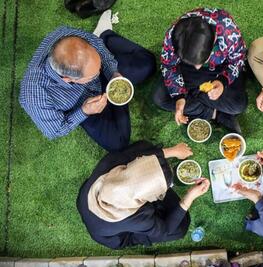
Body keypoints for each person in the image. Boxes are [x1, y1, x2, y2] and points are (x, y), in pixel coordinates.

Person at [19, 10, 156, 151]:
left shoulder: (67, 35)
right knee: (119, 143)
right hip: (80, 104)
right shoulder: (34, 98)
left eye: (98, 69)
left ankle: (105, 35)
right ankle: (115, 98)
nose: (98, 74)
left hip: (94, 67)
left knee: (148, 65)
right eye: (92, 75)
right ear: (68, 79)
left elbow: (97, 47)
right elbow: (56, 130)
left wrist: (112, 72)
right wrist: (84, 111)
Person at [77, 140, 210, 249]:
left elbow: (134, 154)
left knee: (142, 147)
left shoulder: (110, 162)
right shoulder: (141, 219)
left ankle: (155, 179)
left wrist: (173, 151)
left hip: (86, 199)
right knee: (181, 226)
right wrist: (189, 198)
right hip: (115, 236)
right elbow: (164, 231)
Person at [153, 8, 247, 133]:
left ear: (213, 41)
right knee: (159, 98)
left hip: (219, 70)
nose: (198, 67)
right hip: (187, 72)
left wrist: (222, 82)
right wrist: (179, 97)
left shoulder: (228, 30)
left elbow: (237, 60)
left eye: (201, 61)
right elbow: (169, 66)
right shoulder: (174, 33)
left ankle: (194, 102)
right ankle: (215, 113)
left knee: (239, 104)